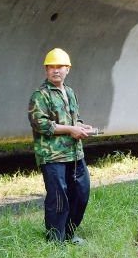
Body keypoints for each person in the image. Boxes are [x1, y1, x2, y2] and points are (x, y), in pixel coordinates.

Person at [28, 48, 97, 244]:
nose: (55, 70)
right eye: (51, 67)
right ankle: (55, 241)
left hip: (74, 153)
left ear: (68, 69)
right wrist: (70, 130)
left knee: (81, 194)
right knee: (59, 199)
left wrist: (81, 126)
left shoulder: (70, 92)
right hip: (52, 156)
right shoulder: (40, 95)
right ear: (46, 70)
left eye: (60, 67)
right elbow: (39, 123)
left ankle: (69, 233)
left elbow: (74, 118)